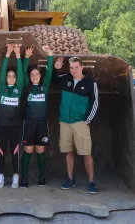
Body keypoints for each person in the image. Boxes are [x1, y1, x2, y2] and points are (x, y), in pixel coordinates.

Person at [53, 56, 99, 194]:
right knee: (68, 151)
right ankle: (70, 179)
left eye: (76, 67)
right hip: (64, 122)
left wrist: (87, 120)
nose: (73, 70)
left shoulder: (90, 83)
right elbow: (52, 79)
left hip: (80, 122)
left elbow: (95, 103)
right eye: (71, 67)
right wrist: (55, 69)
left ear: (82, 67)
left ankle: (91, 182)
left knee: (86, 152)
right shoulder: (65, 78)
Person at [20, 46, 53, 188]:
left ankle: (42, 178)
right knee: (28, 150)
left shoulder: (44, 87)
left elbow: (50, 71)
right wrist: (26, 57)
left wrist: (50, 56)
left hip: (42, 124)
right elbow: (21, 73)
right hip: (29, 123)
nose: (34, 76)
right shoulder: (27, 86)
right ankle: (24, 179)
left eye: (37, 74)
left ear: (40, 76)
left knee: (40, 150)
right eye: (32, 74)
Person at [0, 44, 24, 189]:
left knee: (14, 151)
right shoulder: (2, 88)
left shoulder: (18, 89)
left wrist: (18, 55)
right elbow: (1, 72)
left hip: (14, 126)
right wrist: (7, 54)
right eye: (9, 76)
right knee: (1, 150)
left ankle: (15, 176)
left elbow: (21, 74)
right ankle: (0, 175)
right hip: (2, 125)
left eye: (13, 76)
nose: (12, 78)